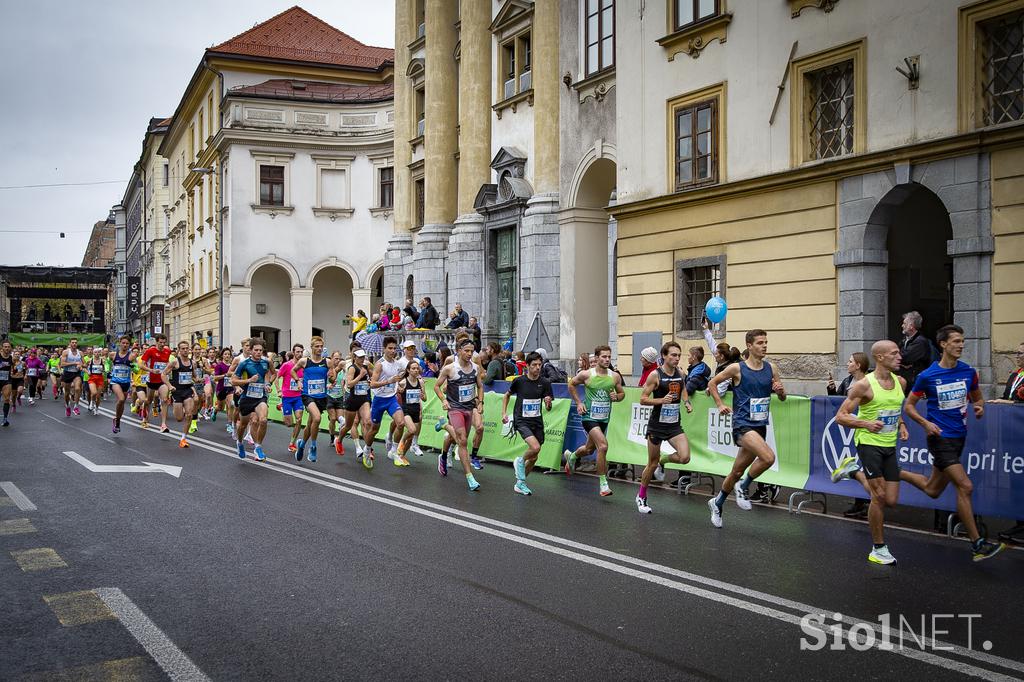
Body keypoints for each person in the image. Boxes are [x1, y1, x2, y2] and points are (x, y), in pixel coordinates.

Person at [901, 324, 1005, 561]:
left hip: (959, 437)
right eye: (956, 341)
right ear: (943, 344)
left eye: (962, 341)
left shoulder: (969, 372)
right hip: (939, 438)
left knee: (933, 489)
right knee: (965, 486)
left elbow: (978, 399)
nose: (961, 345)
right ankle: (977, 544)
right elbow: (908, 406)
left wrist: (979, 408)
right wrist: (925, 423)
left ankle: (893, 472)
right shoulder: (927, 376)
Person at [834, 340, 910, 565]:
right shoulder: (864, 386)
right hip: (868, 444)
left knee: (891, 499)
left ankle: (854, 471)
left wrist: (902, 424)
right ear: (879, 357)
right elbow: (841, 416)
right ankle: (878, 548)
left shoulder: (901, 382)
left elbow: (895, 408)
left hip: (889, 445)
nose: (899, 357)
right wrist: (866, 424)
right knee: (879, 497)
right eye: (894, 353)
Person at [707, 329, 787, 528]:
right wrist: (719, 404)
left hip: (760, 426)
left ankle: (717, 502)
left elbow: (783, 397)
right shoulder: (737, 368)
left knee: (736, 471)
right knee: (768, 457)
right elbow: (712, 383)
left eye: (766, 342)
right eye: (760, 342)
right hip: (742, 424)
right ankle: (743, 486)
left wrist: (780, 391)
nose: (764, 346)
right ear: (749, 346)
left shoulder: (771, 369)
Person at [637, 342, 694, 513]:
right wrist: (661, 400)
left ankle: (664, 460)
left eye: (678, 355)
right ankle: (641, 496)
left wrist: (687, 402)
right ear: (664, 356)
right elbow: (643, 399)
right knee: (651, 464)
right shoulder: (655, 375)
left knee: (685, 457)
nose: (676, 358)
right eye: (673, 355)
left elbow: (683, 388)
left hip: (674, 425)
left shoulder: (680, 373)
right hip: (656, 426)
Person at [564, 345, 626, 497]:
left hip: (604, 418)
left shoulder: (614, 376)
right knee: (603, 446)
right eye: (603, 357)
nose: (606, 359)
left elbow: (622, 393)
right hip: (589, 417)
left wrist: (616, 397)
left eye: (609, 357)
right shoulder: (587, 374)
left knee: (589, 449)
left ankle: (572, 456)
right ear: (597, 358)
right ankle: (603, 484)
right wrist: (579, 402)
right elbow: (571, 384)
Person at [825, 351, 871, 518]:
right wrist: (831, 390)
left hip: (865, 431)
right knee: (855, 463)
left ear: (858, 365)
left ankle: (867, 503)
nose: (847, 364)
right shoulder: (846, 382)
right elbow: (837, 404)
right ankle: (859, 503)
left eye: (850, 361)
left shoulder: (869, 383)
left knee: (866, 467)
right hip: (848, 430)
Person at [434, 338, 483, 490]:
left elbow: (480, 386)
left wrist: (480, 402)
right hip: (455, 408)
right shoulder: (449, 368)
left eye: (471, 351)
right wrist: (443, 400)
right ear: (459, 351)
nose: (469, 354)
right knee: (462, 441)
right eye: (466, 351)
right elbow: (436, 386)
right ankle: (470, 477)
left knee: (457, 439)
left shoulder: (475, 368)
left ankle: (443, 455)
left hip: (469, 408)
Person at [502, 351, 554, 496]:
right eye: (534, 365)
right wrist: (504, 413)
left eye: (539, 364)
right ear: (527, 366)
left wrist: (548, 403)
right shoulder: (519, 381)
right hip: (521, 420)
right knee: (535, 448)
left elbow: (548, 407)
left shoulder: (545, 383)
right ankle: (520, 460)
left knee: (534, 457)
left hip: (537, 421)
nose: (537, 367)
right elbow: (506, 396)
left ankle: (520, 483)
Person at [364, 337, 407, 467]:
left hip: (391, 399)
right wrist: (389, 381)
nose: (393, 351)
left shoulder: (398, 364)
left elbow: (397, 378)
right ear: (384, 349)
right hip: (379, 400)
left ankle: (393, 450)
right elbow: (372, 384)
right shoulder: (379, 364)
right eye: (390, 348)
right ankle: (367, 449)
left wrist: (399, 386)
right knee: (374, 429)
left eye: (394, 348)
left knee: (401, 423)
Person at [231, 339, 276, 461]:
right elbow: (233, 380)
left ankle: (258, 447)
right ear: (251, 350)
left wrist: (268, 383)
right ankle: (240, 443)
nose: (258, 352)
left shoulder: (266, 362)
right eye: (256, 350)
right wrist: (248, 381)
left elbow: (273, 374)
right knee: (243, 425)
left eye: (260, 350)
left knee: (263, 420)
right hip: (247, 398)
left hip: (260, 397)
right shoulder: (244, 364)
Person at [292, 336, 331, 463]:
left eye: (321, 346)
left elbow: (333, 378)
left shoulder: (327, 362)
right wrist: (298, 381)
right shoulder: (305, 361)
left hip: (321, 397)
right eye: (317, 346)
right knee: (317, 418)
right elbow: (293, 371)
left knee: (310, 424)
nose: (319, 349)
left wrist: (332, 378)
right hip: (308, 395)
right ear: (312, 347)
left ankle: (302, 445)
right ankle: (313, 447)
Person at [336, 348, 372, 461]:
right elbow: (349, 384)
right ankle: (339, 440)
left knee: (367, 422)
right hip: (352, 400)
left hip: (364, 399)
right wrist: (360, 376)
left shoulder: (365, 368)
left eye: (363, 357)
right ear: (354, 358)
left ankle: (368, 450)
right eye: (360, 357)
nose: (362, 359)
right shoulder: (352, 368)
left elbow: (370, 379)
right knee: (348, 425)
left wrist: (369, 382)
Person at [163, 341, 198, 449]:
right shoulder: (175, 362)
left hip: (188, 390)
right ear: (179, 350)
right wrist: (169, 386)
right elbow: (163, 374)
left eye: (187, 348)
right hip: (177, 391)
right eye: (182, 348)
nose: (185, 350)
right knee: (179, 418)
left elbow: (194, 377)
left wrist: (199, 380)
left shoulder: (193, 363)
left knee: (189, 415)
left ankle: (183, 439)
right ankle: (181, 409)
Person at [139, 334, 172, 432]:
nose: (162, 344)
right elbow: (141, 364)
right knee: (148, 401)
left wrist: (168, 370)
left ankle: (163, 424)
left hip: (162, 380)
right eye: (160, 342)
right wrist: (151, 370)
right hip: (151, 380)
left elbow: (167, 365)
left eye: (164, 342)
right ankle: (145, 418)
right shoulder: (150, 351)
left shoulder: (168, 351)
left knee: (165, 400)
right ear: (156, 342)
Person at [277, 344, 305, 455]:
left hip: (298, 396)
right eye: (297, 352)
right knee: (288, 423)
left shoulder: (303, 366)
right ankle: (283, 406)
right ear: (293, 352)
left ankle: (292, 443)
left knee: (299, 420)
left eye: (301, 352)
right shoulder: (286, 365)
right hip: (287, 397)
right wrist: (279, 390)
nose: (299, 354)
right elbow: (276, 378)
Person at [396, 359, 425, 462]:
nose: (416, 370)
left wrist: (422, 396)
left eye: (417, 368)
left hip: (416, 410)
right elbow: (395, 394)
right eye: (413, 368)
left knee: (412, 435)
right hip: (406, 409)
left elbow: (425, 398)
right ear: (408, 370)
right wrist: (399, 391)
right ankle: (401, 441)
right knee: (412, 430)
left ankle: (402, 455)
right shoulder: (403, 382)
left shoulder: (420, 382)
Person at [108, 336, 135, 433]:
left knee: (122, 403)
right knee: (121, 399)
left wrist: (133, 366)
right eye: (123, 343)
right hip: (115, 381)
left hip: (126, 382)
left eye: (127, 343)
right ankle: (117, 418)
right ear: (120, 343)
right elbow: (108, 365)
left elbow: (135, 368)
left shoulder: (132, 356)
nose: (125, 345)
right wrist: (108, 375)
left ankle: (118, 420)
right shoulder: (112, 355)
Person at [898, 311, 932, 388]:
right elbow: (897, 355)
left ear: (911, 326)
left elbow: (905, 358)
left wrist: (901, 361)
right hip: (908, 380)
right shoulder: (905, 340)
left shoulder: (920, 342)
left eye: (904, 323)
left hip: (915, 382)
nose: (902, 326)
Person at [325, 350, 347, 452]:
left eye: (339, 359)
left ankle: (339, 439)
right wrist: (327, 385)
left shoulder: (342, 370)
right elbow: (322, 382)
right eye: (335, 358)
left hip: (339, 397)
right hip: (329, 396)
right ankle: (332, 438)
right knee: (333, 419)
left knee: (341, 420)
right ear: (332, 358)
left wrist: (345, 395)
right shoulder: (328, 369)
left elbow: (344, 383)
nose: (337, 361)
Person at [60, 338, 85, 418]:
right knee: (67, 393)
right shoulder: (66, 352)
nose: (74, 344)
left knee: (77, 389)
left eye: (75, 342)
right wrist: (75, 363)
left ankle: (76, 407)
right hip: (67, 373)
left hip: (76, 373)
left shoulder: (80, 353)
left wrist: (81, 365)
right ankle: (67, 406)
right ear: (70, 343)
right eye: (73, 342)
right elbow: (62, 364)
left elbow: (84, 364)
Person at [0, 341, 13, 427]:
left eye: (8, 347)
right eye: (5, 347)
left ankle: (5, 419)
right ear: (2, 348)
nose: (7, 348)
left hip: (6, 380)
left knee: (7, 399)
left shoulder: (11, 357)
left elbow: (14, 368)